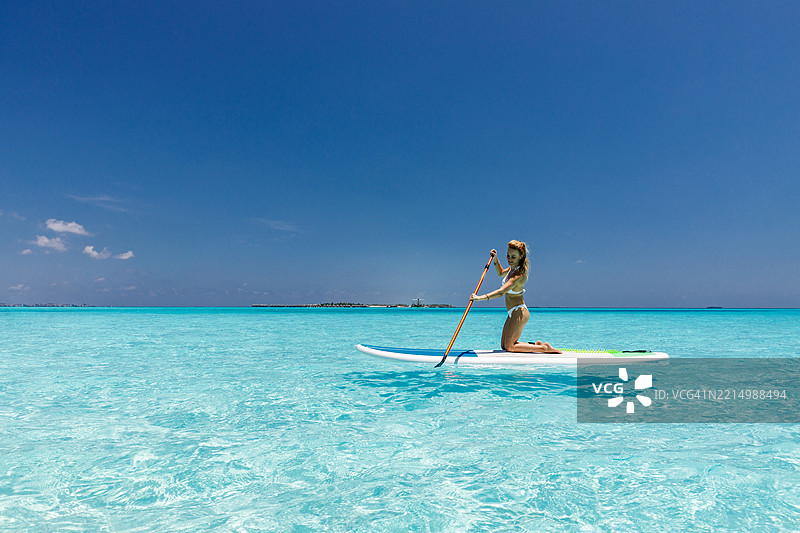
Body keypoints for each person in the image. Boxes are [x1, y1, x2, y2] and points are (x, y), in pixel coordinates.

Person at [470, 241, 561, 353]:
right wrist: (495, 259)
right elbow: (501, 273)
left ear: (521, 256)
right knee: (504, 346)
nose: (509, 259)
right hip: (512, 312)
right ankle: (535, 345)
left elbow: (501, 292)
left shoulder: (519, 274)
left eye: (513, 257)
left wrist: (480, 298)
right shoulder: (512, 268)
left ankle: (544, 348)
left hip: (519, 312)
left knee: (510, 347)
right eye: (508, 255)